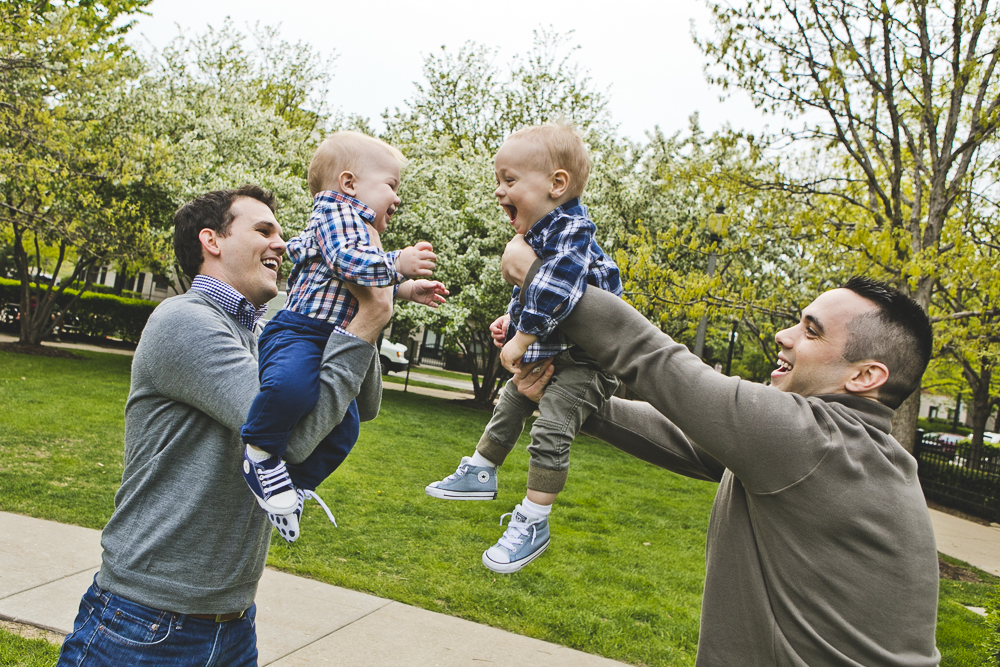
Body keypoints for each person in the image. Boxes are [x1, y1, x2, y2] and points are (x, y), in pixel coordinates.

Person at [503, 236, 940, 666]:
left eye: (811, 332)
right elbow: (682, 440)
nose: (782, 336)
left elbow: (653, 358)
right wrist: (567, 400)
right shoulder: (850, 451)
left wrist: (544, 279)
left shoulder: (812, 441)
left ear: (865, 376)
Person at [56, 185, 392, 667]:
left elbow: (369, 400)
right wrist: (365, 322)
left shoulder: (265, 333)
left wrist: (344, 305)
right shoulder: (185, 322)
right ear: (211, 240)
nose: (282, 243)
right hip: (146, 621)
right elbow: (292, 439)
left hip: (232, 622)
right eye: (264, 230)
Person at [425, 123, 621, 573]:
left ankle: (534, 520)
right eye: (499, 181)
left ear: (557, 184)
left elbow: (555, 293)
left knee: (550, 430)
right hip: (560, 353)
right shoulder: (541, 235)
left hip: (588, 365)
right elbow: (538, 294)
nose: (499, 191)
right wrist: (512, 319)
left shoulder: (572, 229)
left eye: (510, 181)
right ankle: (480, 470)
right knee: (511, 399)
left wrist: (523, 337)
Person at [240, 131, 448, 541]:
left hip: (331, 336)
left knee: (345, 426)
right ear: (350, 184)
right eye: (391, 185)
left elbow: (347, 283)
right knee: (289, 388)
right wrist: (398, 263)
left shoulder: (359, 227)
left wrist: (405, 291)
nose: (397, 197)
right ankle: (260, 453)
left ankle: (294, 482)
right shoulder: (335, 214)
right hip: (299, 332)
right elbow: (346, 263)